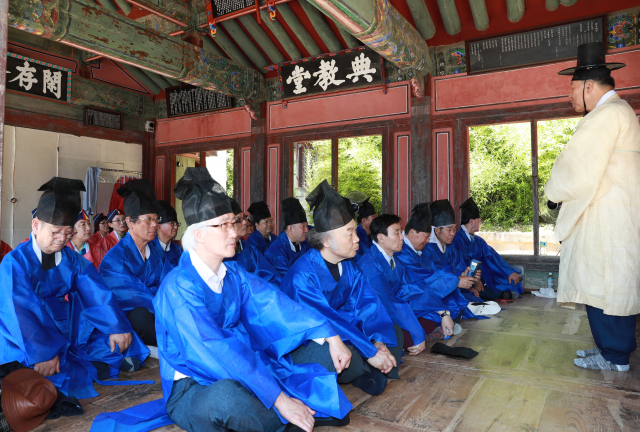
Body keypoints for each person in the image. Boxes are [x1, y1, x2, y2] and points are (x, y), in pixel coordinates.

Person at [155, 168, 353, 432]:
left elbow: (276, 304)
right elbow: (214, 350)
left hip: (245, 363)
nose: (234, 233)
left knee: (326, 354)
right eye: (223, 225)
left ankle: (282, 412)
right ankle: (285, 411)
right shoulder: (177, 287)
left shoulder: (234, 274)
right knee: (227, 398)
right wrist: (280, 399)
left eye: (233, 223)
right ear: (199, 234)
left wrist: (330, 334)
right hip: (197, 384)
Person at [0, 177, 148, 399]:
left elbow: (96, 292)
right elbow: (19, 311)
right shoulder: (15, 262)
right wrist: (43, 352)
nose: (61, 239)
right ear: (36, 225)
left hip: (66, 324)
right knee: (30, 362)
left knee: (115, 339)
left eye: (68, 233)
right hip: (26, 330)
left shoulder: (71, 259)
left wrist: (115, 326)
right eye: (55, 232)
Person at [546, 42, 640, 372]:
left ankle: (614, 355)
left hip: (607, 219)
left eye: (572, 88)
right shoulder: (618, 111)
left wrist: (553, 193)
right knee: (604, 284)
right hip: (609, 215)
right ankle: (608, 349)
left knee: (607, 286)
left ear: (588, 85)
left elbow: (577, 166)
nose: (570, 96)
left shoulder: (608, 114)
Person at [281, 180, 400, 396]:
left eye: (355, 232)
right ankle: (362, 370)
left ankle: (365, 367)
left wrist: (377, 341)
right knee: (342, 357)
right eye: (349, 234)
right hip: (307, 338)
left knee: (393, 334)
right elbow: (323, 318)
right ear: (326, 241)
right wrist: (369, 350)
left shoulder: (348, 266)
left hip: (339, 326)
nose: (357, 239)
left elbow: (367, 305)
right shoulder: (302, 275)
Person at [358, 214, 455, 354]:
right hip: (376, 318)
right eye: (397, 233)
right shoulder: (370, 267)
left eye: (400, 232)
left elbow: (416, 285)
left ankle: (429, 332)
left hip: (397, 309)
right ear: (381, 238)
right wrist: (418, 334)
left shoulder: (393, 260)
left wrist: (443, 312)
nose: (402, 237)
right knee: (411, 338)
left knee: (433, 317)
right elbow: (389, 305)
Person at [99, 179, 173, 354]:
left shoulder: (156, 253)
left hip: (158, 309)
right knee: (141, 316)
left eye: (156, 219)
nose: (155, 224)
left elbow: (170, 282)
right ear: (130, 222)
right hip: (129, 315)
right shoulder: (114, 258)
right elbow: (132, 295)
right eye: (148, 219)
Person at [394, 203, 479, 322]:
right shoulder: (402, 253)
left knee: (453, 309)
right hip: (408, 298)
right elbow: (422, 280)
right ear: (413, 233)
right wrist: (456, 281)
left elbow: (433, 273)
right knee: (442, 314)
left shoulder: (418, 250)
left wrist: (460, 275)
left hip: (425, 292)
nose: (429, 241)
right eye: (426, 236)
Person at [452, 198, 523, 300]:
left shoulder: (478, 240)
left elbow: (492, 256)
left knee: (508, 280)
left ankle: (499, 292)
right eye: (479, 220)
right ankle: (500, 294)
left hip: (483, 275)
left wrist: (509, 272)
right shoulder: (457, 240)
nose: (481, 222)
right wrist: (476, 280)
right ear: (471, 221)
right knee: (474, 292)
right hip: (466, 278)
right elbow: (461, 264)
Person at [424, 199, 484, 302]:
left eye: (454, 229)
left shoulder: (450, 248)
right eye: (449, 230)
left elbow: (459, 268)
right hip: (437, 295)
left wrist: (468, 274)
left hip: (454, 290)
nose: (453, 233)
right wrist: (457, 280)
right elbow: (433, 278)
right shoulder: (428, 250)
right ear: (437, 231)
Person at [224, 198, 282, 286]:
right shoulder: (221, 253)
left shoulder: (248, 248)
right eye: (238, 220)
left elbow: (269, 275)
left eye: (244, 218)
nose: (245, 222)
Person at [265, 197, 310, 277]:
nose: (307, 230)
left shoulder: (304, 245)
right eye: (303, 226)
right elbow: (288, 279)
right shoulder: (275, 253)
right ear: (291, 229)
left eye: (307, 226)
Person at [152, 200, 183, 267]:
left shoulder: (178, 250)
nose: (176, 227)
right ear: (159, 226)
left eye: (177, 224)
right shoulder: (149, 248)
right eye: (172, 223)